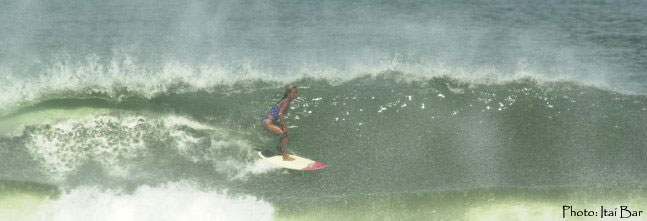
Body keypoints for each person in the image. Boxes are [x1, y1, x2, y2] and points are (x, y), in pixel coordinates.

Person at [261, 84, 298, 161]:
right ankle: (285, 156)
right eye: (294, 93)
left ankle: (279, 149)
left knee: (285, 134)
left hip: (268, 120)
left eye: (296, 92)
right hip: (267, 122)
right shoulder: (286, 101)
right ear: (288, 93)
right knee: (284, 134)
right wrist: (284, 127)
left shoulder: (286, 100)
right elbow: (280, 114)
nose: (296, 94)